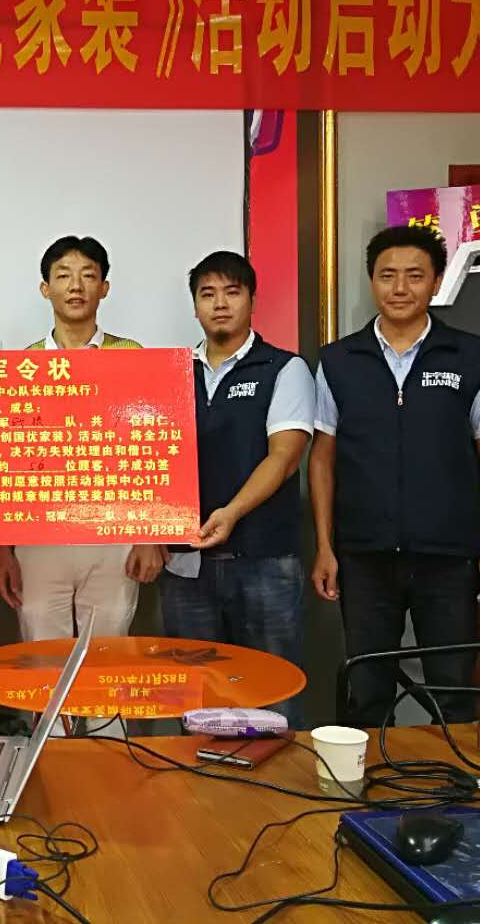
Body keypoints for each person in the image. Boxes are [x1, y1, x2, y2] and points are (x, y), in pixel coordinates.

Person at [309, 225, 480, 729]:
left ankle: (452, 777)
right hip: (364, 557)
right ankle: (368, 779)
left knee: (453, 693)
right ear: (371, 281)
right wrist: (325, 547)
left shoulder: (469, 355)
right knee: (367, 693)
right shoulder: (339, 361)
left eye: (414, 276)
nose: (400, 288)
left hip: (447, 557)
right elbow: (321, 459)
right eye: (387, 276)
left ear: (436, 281)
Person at [157, 251, 314, 727]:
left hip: (264, 560)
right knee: (195, 697)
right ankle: (200, 776)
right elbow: (152, 460)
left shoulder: (284, 369)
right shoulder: (171, 373)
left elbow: (283, 458)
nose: (220, 304)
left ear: (252, 300)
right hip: (186, 566)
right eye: (208, 294)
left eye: (232, 292)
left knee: (270, 690)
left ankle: (273, 777)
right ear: (195, 307)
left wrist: (231, 512)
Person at [0, 235, 163, 640]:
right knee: (42, 654)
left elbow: (153, 448)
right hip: (39, 535)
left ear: (104, 288)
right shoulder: (22, 365)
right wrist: (3, 551)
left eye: (88, 275)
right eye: (63, 275)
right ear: (45, 288)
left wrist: (149, 535)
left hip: (113, 532)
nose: (75, 286)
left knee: (106, 655)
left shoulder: (133, 356)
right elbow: (5, 463)